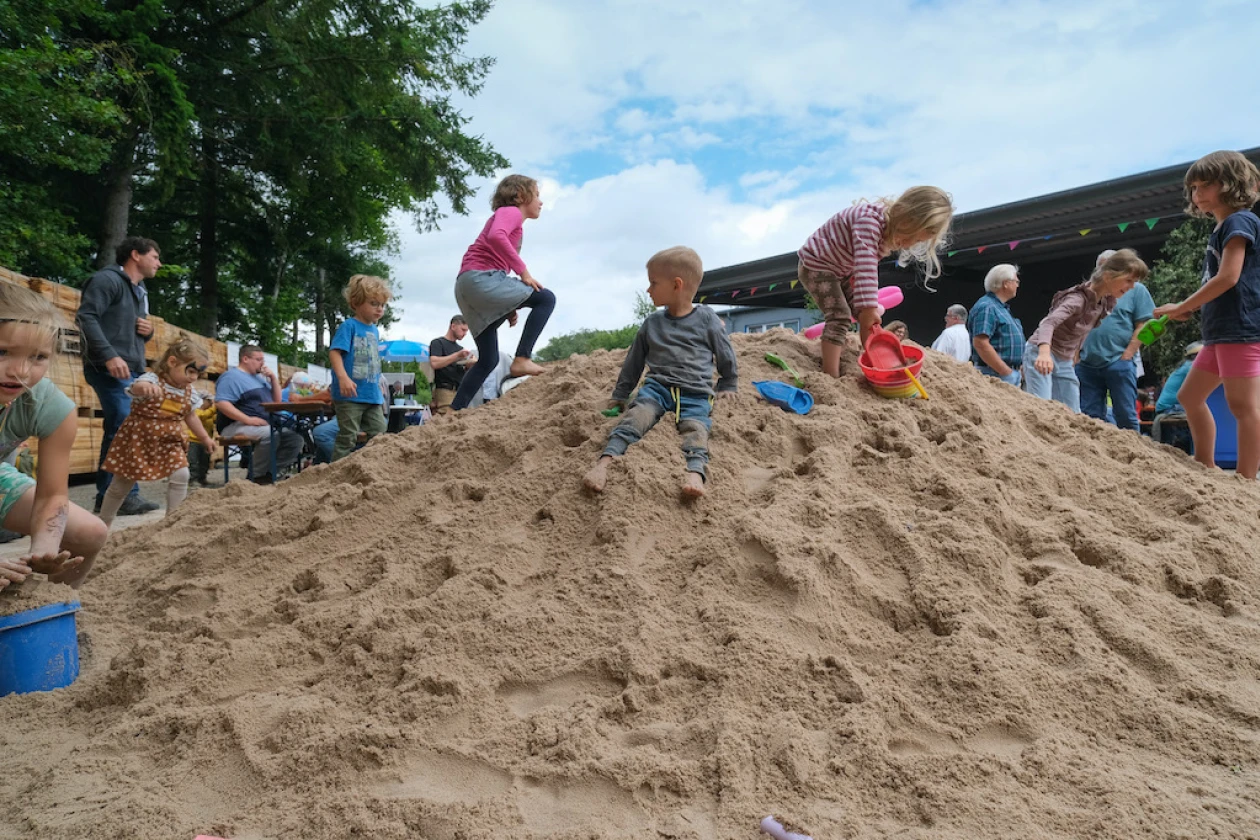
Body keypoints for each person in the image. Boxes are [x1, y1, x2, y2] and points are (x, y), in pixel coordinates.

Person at [583, 247, 738, 499]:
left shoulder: (707, 320)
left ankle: (695, 472)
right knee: (636, 417)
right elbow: (634, 361)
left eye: (653, 283)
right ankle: (606, 461)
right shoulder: (652, 323)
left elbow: (724, 352)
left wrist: (728, 382)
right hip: (657, 389)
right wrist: (621, 394)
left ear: (677, 285)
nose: (648, 290)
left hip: (696, 392)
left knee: (696, 428)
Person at [1154, 150, 1260, 479]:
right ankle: (1205, 464)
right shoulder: (1222, 227)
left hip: (1240, 330)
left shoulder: (1238, 221)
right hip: (1218, 334)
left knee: (1243, 406)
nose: (1197, 194)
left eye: (1205, 186)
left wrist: (1183, 306)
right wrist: (1189, 310)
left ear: (1231, 184)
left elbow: (1228, 277)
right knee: (1189, 395)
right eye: (1194, 188)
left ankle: (1246, 479)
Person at [0, 283, 109, 591]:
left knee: (89, 533)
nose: (20, 371)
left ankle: (49, 612)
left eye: (38, 357)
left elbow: (52, 496)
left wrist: (44, 548)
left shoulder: (49, 406)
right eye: (2, 352)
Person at [796, 186, 954, 377]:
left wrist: (866, 313)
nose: (909, 244)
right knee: (840, 316)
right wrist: (869, 308)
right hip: (817, 265)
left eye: (916, 242)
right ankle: (830, 375)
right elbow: (866, 267)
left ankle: (873, 359)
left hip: (843, 270)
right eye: (910, 236)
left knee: (867, 317)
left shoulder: (885, 231)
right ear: (906, 217)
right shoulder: (869, 222)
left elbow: (861, 271)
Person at [450, 174, 555, 410]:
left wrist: (508, 306)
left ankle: (453, 410)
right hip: (481, 278)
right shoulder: (511, 212)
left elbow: (495, 253)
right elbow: (496, 236)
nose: (541, 202)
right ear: (519, 195)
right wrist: (524, 273)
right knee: (545, 298)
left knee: (488, 359)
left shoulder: (509, 218)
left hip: (467, 285)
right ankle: (522, 358)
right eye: (537, 195)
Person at [76, 235, 162, 516]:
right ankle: (118, 496)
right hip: (108, 367)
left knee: (126, 428)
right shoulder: (107, 280)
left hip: (132, 368)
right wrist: (110, 355)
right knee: (124, 426)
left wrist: (149, 333)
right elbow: (86, 317)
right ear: (135, 255)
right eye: (155, 257)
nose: (159, 264)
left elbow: (130, 331)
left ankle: (117, 496)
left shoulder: (139, 290)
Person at [97, 337, 216, 525]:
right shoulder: (151, 380)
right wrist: (143, 388)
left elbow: (191, 416)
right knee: (122, 483)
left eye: (197, 374)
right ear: (172, 362)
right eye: (191, 371)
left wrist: (204, 438)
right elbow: (134, 388)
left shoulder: (189, 392)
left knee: (181, 474)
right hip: (139, 439)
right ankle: (104, 522)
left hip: (170, 441)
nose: (193, 377)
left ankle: (172, 521)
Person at [1022, 250, 1148, 411]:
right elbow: (1048, 323)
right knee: (1043, 406)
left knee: (1073, 412)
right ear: (1108, 276)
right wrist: (1044, 353)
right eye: (1128, 280)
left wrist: (1075, 353)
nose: (1132, 287)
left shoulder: (1104, 302)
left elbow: (1084, 330)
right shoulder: (1077, 299)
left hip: (1065, 359)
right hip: (1042, 352)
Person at [1077, 250, 1157, 430]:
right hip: (1087, 363)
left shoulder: (1136, 290)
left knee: (1126, 415)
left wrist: (1128, 355)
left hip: (1118, 360)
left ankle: (1135, 455)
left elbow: (1144, 324)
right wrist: (1076, 355)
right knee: (1089, 417)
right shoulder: (1087, 290)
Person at [214, 345, 303, 482]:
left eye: (263, 359)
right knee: (272, 434)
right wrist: (247, 420)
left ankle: (271, 472)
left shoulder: (259, 378)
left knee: (295, 439)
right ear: (245, 359)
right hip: (235, 425)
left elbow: (277, 401)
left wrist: (273, 378)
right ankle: (256, 475)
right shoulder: (231, 377)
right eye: (258, 359)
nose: (263, 363)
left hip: (263, 424)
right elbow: (222, 403)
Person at [330, 274, 390, 461]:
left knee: (380, 433)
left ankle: (373, 468)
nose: (379, 309)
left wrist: (378, 382)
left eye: (382, 305)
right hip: (350, 395)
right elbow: (334, 353)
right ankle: (336, 473)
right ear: (356, 303)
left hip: (371, 394)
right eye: (374, 303)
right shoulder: (349, 326)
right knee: (348, 437)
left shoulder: (374, 330)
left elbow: (371, 360)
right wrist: (343, 378)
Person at [967, 264, 1025, 385]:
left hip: (1005, 373)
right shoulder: (987, 307)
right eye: (1016, 281)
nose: (1017, 285)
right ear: (1005, 283)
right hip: (995, 374)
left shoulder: (1000, 308)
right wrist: (1005, 371)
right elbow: (980, 343)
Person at [1151, 341, 1203, 451]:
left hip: (1167, 407)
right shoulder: (1191, 367)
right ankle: (1198, 452)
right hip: (1171, 407)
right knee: (1203, 415)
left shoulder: (1184, 366)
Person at [429, 315, 472, 414]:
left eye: (466, 331)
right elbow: (435, 363)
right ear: (453, 326)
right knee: (447, 420)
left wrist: (469, 365)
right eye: (463, 330)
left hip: (459, 391)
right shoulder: (438, 343)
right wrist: (457, 356)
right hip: (445, 390)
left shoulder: (460, 348)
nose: (465, 334)